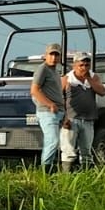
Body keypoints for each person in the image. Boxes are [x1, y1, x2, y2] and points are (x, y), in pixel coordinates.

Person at [61, 52, 105, 171]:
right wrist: (63, 117)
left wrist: (89, 79)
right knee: (69, 151)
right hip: (71, 119)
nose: (84, 67)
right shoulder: (67, 79)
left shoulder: (94, 77)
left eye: (87, 65)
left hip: (88, 120)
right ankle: (66, 177)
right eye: (81, 65)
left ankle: (85, 175)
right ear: (75, 65)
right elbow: (58, 97)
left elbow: (102, 92)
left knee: (86, 151)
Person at [30, 42, 66, 171]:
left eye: (57, 55)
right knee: (53, 141)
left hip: (59, 113)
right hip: (47, 112)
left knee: (56, 143)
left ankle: (51, 171)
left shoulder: (55, 72)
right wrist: (50, 104)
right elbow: (34, 90)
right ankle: (45, 172)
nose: (54, 57)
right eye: (51, 54)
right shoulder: (43, 69)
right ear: (45, 55)